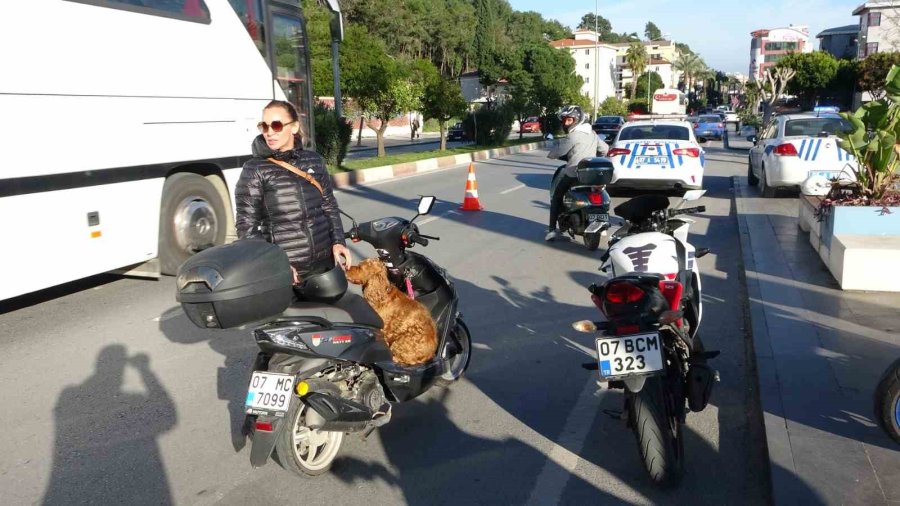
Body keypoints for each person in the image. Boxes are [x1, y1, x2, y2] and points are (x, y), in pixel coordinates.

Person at [234, 100, 352, 286]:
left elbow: (329, 205)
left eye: (277, 125)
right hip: (287, 274)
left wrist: (338, 241)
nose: (269, 132)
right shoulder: (255, 169)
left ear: (294, 127)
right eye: (264, 126)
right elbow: (246, 226)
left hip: (324, 268)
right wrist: (275, 264)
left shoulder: (314, 161)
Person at [545, 105, 603, 241]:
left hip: (573, 174)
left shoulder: (572, 136)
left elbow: (556, 152)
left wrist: (553, 153)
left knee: (556, 197)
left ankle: (552, 230)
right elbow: (605, 149)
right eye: (564, 120)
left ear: (577, 120)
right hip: (593, 175)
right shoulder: (592, 134)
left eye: (569, 120)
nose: (566, 123)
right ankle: (600, 222)